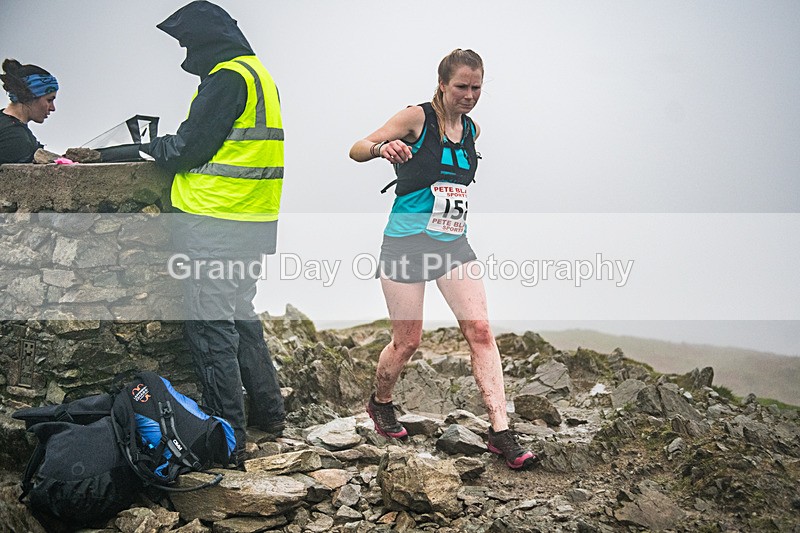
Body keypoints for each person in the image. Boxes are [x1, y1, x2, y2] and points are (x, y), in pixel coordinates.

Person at [349, 49, 538, 470]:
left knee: (481, 330)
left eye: (476, 88)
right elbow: (357, 148)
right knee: (407, 341)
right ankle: (381, 403)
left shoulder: (472, 130)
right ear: (442, 85)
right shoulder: (416, 117)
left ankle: (501, 432)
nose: (469, 95)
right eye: (461, 87)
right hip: (405, 245)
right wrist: (383, 148)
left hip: (453, 245)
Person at [139, 0, 285, 465]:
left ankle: (227, 438)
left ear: (206, 42)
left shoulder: (227, 78)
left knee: (210, 327)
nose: (185, 54)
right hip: (254, 220)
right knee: (241, 315)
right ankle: (271, 414)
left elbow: (187, 147)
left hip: (213, 222)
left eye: (187, 44)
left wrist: (149, 146)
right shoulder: (257, 73)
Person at [0, 59, 58, 164]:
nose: (52, 108)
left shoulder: (5, 124)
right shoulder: (15, 137)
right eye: (49, 100)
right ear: (31, 96)